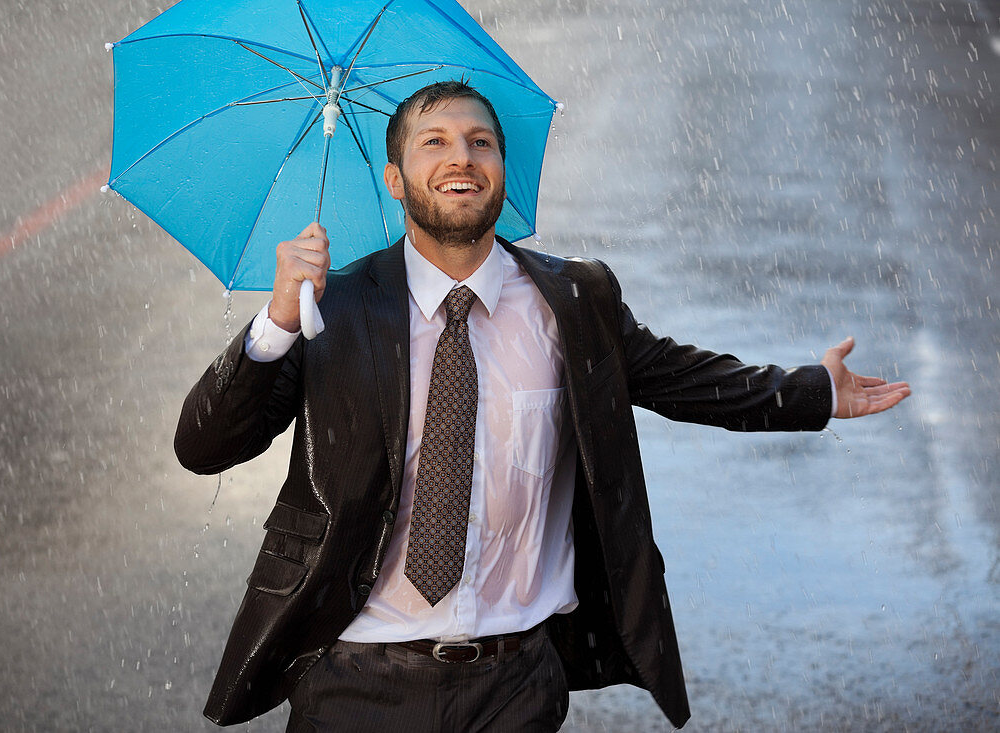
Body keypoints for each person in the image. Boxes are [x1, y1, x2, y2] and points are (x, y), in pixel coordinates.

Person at [174, 81, 910, 731]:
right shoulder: (334, 305)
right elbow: (204, 446)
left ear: (502, 171)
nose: (460, 156)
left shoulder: (572, 300)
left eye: (480, 141)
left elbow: (675, 376)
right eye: (434, 142)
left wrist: (812, 391)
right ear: (395, 179)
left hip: (515, 686)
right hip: (352, 681)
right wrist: (274, 321)